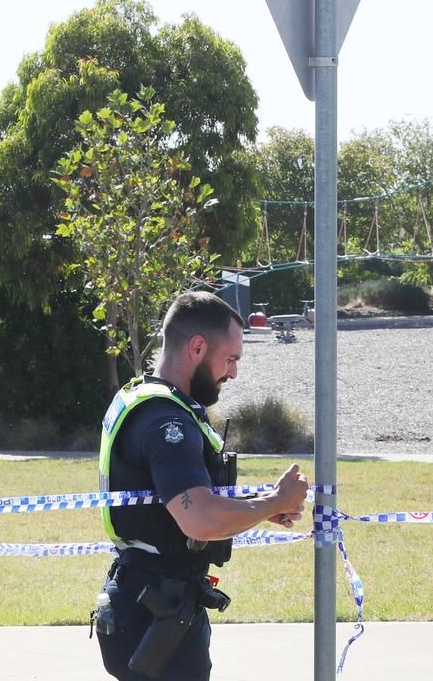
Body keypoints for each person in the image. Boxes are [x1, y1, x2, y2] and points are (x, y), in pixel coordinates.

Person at [95, 291, 308, 680]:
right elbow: (200, 520)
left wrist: (258, 505)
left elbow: (180, 499)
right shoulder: (167, 424)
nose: (233, 373)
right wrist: (274, 500)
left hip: (146, 597)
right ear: (197, 347)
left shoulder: (143, 399)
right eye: (230, 360)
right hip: (157, 609)